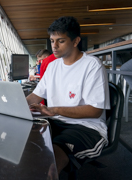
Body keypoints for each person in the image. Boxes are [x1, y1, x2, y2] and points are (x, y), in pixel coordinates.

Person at [26, 16, 110, 176]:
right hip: (54, 121)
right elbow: (36, 95)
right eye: (52, 41)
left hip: (87, 127)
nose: (54, 46)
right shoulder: (52, 66)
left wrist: (55, 110)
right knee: (27, 147)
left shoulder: (92, 65)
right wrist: (17, 104)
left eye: (61, 41)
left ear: (76, 41)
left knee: (50, 162)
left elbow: (95, 111)